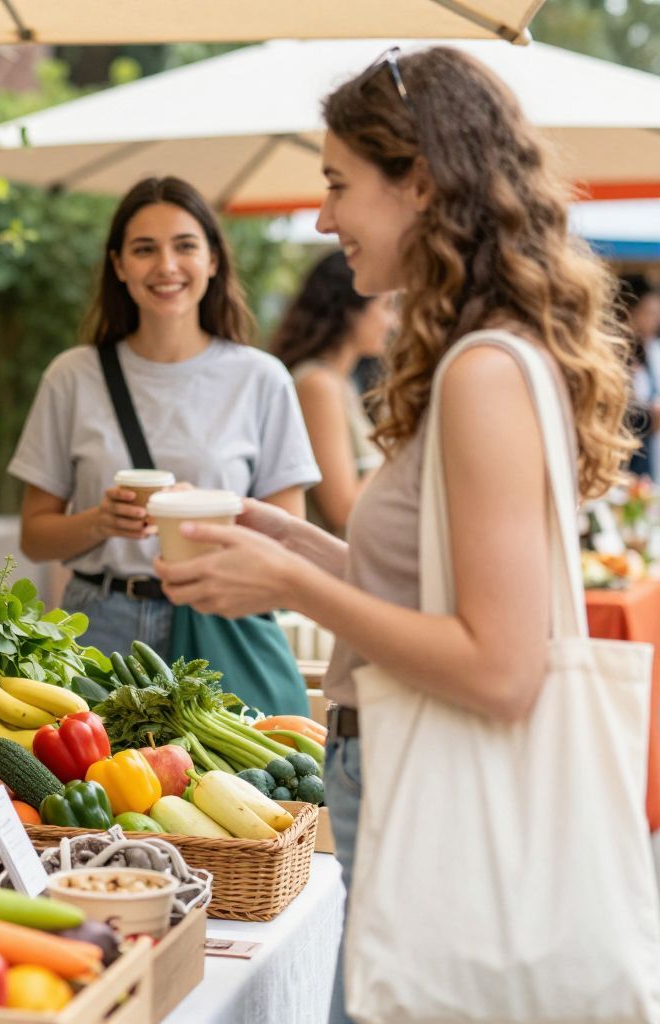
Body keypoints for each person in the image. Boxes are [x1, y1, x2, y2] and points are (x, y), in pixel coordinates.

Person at [152, 47, 634, 1023]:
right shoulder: (482, 356)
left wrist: (297, 588)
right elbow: (429, 593)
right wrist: (284, 546)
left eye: (338, 184)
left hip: (432, 778)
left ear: (418, 181)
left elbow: (499, 666)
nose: (325, 218)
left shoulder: (484, 373)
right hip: (401, 772)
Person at [8, 175, 319, 661]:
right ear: (119, 265)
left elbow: (289, 539)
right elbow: (34, 536)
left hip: (220, 617)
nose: (166, 266)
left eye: (185, 246)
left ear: (212, 259)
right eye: (145, 249)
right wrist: (101, 521)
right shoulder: (73, 375)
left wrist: (209, 519)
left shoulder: (261, 379)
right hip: (100, 625)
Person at [271, 250, 395, 534]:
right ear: (352, 310)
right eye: (386, 307)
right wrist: (400, 444)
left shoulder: (342, 383)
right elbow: (342, 510)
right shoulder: (317, 385)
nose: (393, 322)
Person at [618, 274, 660, 477]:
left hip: (645, 459)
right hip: (622, 463)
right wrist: (650, 417)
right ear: (629, 311)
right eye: (649, 313)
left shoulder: (649, 352)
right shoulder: (615, 354)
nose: (654, 321)